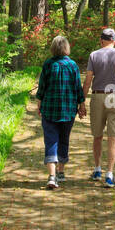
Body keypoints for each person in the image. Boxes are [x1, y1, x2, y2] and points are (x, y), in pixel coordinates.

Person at [36, 35, 85, 190]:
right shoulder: (72, 65)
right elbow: (78, 87)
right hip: (68, 110)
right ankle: (61, 172)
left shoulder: (48, 65)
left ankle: (51, 176)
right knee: (64, 139)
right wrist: (82, 105)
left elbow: (42, 87)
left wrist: (39, 103)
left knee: (50, 141)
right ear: (66, 48)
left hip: (49, 109)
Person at [84, 27, 115, 188]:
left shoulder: (93, 55)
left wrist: (81, 101)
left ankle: (97, 169)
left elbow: (88, 80)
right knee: (113, 137)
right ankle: (109, 175)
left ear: (101, 40)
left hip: (98, 95)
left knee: (97, 135)